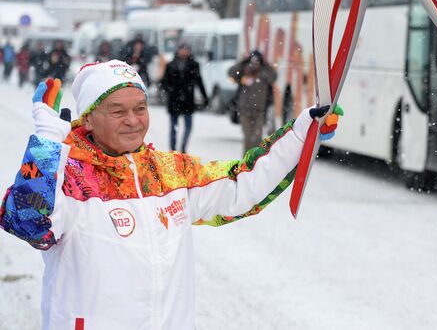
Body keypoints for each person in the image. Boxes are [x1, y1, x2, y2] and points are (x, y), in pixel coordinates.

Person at [0, 60, 341, 329]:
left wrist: (301, 135)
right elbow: (29, 224)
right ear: (88, 119)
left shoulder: (169, 172)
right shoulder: (68, 176)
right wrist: (47, 146)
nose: (133, 121)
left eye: (140, 108)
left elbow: (242, 186)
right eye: (118, 111)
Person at [160, 42, 209, 153]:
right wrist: (169, 90)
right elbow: (164, 82)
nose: (184, 52)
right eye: (182, 49)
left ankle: (183, 148)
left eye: (186, 49)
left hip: (188, 100)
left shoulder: (194, 65)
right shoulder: (171, 64)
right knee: (173, 127)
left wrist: (205, 97)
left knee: (188, 127)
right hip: (174, 100)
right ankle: (172, 149)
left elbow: (199, 81)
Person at [228, 50, 278, 154]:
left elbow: (274, 76)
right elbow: (230, 72)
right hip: (244, 111)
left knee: (258, 138)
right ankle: (246, 163)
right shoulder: (243, 71)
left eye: (257, 62)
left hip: (259, 111)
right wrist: (242, 63)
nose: (254, 65)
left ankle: (255, 161)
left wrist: (266, 65)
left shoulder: (264, 73)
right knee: (248, 138)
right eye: (252, 62)